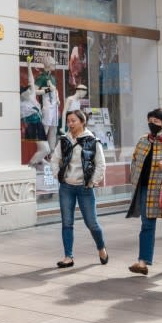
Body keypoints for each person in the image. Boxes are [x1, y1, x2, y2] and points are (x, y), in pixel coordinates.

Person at [50, 110, 108, 268]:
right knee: (67, 223)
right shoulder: (64, 140)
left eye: (73, 120)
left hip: (84, 188)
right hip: (66, 187)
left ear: (82, 122)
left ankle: (101, 248)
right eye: (68, 120)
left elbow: (101, 164)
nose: (70, 123)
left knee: (92, 223)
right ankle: (68, 257)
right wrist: (58, 175)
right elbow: (54, 160)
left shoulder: (92, 141)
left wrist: (92, 182)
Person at [126, 108, 162, 276]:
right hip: (145, 190)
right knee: (147, 226)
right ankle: (142, 262)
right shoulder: (143, 140)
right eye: (150, 121)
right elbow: (135, 161)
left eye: (156, 122)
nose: (152, 124)